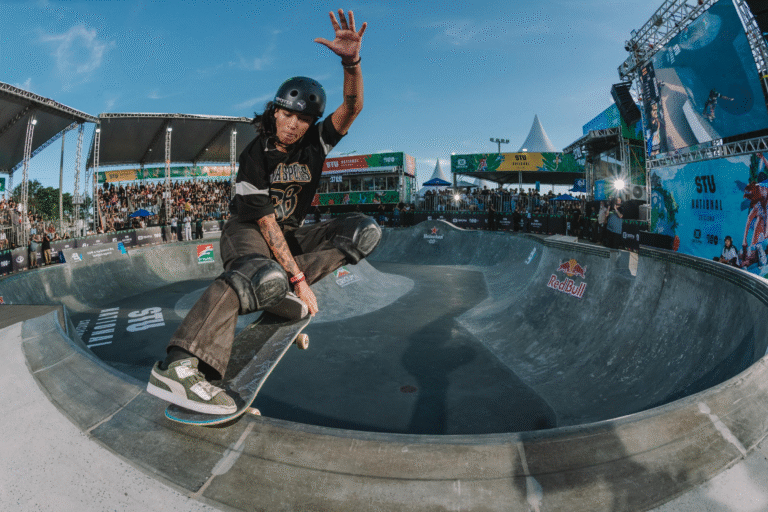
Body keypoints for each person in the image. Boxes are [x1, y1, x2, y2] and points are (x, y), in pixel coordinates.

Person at [147, 9, 380, 415]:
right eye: (287, 114)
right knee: (260, 272)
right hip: (247, 231)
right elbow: (265, 222)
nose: (293, 125)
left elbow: (352, 105)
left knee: (364, 231)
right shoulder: (254, 155)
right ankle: (179, 366)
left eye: (302, 119)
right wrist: (299, 280)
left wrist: (351, 63)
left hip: (290, 235)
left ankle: (279, 290)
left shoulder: (317, 143)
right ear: (274, 112)